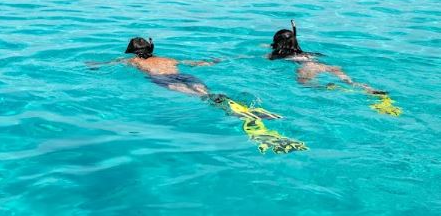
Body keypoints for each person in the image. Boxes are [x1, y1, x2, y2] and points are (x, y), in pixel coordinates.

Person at [90, 36, 308, 153]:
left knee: (202, 98)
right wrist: (209, 62)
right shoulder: (168, 58)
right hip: (185, 75)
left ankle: (238, 114)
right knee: (207, 92)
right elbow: (192, 63)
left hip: (164, 80)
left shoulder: (133, 61)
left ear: (133, 51)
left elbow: (111, 63)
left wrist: (95, 65)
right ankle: (238, 107)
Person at [269, 20, 401, 116]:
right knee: (350, 82)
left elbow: (269, 56)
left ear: (278, 42)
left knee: (304, 83)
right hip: (323, 65)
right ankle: (369, 89)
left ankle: (332, 87)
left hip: (308, 67)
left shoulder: (278, 55)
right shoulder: (303, 52)